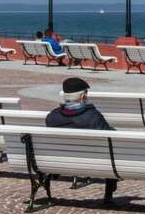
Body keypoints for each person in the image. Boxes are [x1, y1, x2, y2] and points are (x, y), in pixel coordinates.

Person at [46, 77, 117, 205]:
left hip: (59, 162)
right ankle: (108, 194)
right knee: (112, 149)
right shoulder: (93, 117)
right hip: (95, 163)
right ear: (83, 96)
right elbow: (110, 137)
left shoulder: (52, 117)